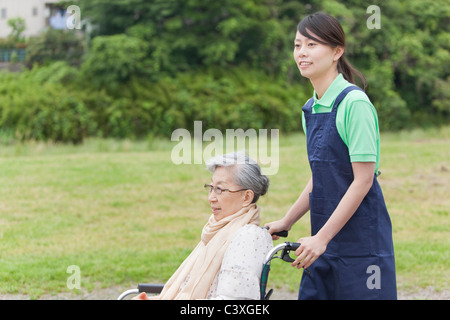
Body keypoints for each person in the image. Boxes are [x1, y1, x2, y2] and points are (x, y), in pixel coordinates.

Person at [265, 12, 397, 300]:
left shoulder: (355, 104)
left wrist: (322, 239)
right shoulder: (310, 108)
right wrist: (287, 222)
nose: (302, 53)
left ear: (337, 51)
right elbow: (321, 177)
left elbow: (363, 181)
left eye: (312, 45)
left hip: (361, 244)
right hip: (321, 242)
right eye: (298, 45)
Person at [136, 152, 272, 300]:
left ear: (246, 197)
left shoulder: (248, 237)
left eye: (220, 189)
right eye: (211, 187)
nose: (211, 198)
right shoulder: (217, 229)